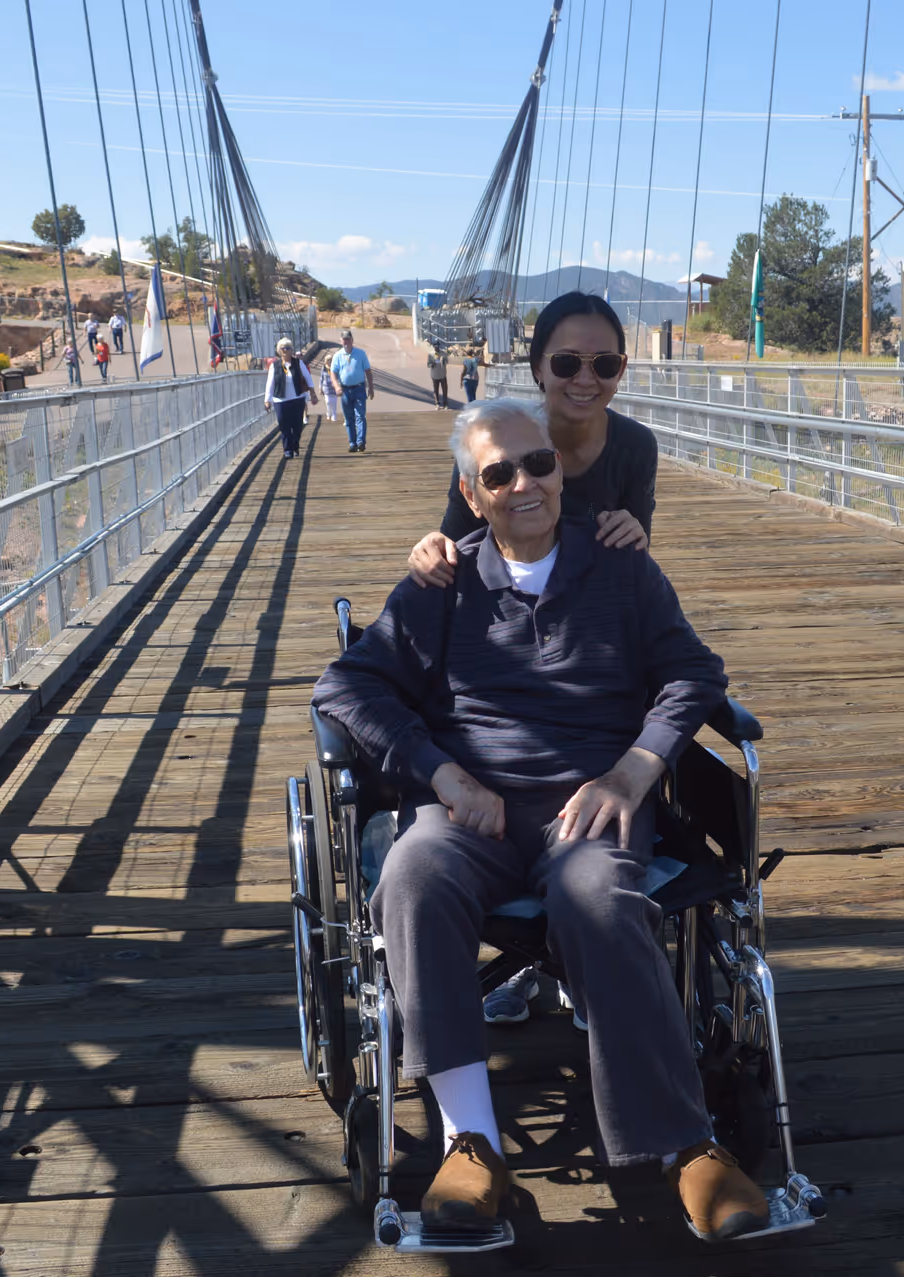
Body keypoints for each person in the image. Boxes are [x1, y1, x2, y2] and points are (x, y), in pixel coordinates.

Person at [310, 398, 772, 1243]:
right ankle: (471, 1143)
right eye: (499, 473)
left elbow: (692, 673)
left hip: (587, 807)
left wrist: (635, 769)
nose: (525, 483)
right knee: (413, 875)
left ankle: (687, 1146)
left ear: (561, 472)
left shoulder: (622, 569)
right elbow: (346, 686)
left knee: (598, 896)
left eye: (540, 465)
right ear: (470, 492)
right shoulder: (442, 585)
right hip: (468, 813)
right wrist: (442, 772)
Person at [405, 291, 659, 1029]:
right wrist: (430, 548)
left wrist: (626, 531)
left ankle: (574, 957)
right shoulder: (508, 439)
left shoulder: (634, 447)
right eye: (568, 361)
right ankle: (552, 959)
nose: (587, 377)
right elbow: (462, 542)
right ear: (537, 365)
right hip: (507, 651)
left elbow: (631, 572)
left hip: (588, 651)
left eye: (605, 362)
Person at [265, 336, 318, 458]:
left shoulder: (298, 363)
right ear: (279, 350)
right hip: (280, 400)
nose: (285, 350)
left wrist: (313, 393)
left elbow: (308, 378)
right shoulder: (275, 366)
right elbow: (270, 383)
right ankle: (287, 450)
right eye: (282, 348)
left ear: (291, 350)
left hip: (297, 399)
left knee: (297, 426)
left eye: (288, 348)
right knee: (284, 426)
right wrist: (267, 400)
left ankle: (295, 446)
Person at [329, 327, 375, 452]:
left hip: (359, 388)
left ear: (352, 340)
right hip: (345, 390)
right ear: (340, 341)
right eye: (344, 340)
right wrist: (337, 386)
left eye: (348, 339)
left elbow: (368, 371)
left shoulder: (361, 354)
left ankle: (361, 442)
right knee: (349, 417)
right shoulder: (337, 356)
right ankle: (352, 442)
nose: (346, 342)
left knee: (360, 415)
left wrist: (371, 387)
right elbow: (333, 373)